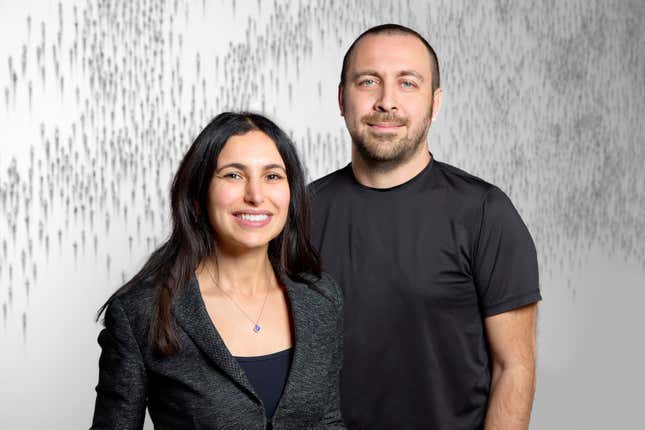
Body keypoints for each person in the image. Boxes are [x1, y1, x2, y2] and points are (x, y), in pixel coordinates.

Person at [309, 24, 542, 429]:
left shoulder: (485, 213)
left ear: (435, 103)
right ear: (342, 99)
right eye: (369, 82)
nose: (387, 102)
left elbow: (514, 368)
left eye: (408, 83)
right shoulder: (298, 215)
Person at [91, 112, 345, 429]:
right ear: (198, 197)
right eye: (233, 175)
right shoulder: (142, 311)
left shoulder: (321, 297)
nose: (255, 195)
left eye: (272, 176)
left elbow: (329, 420)